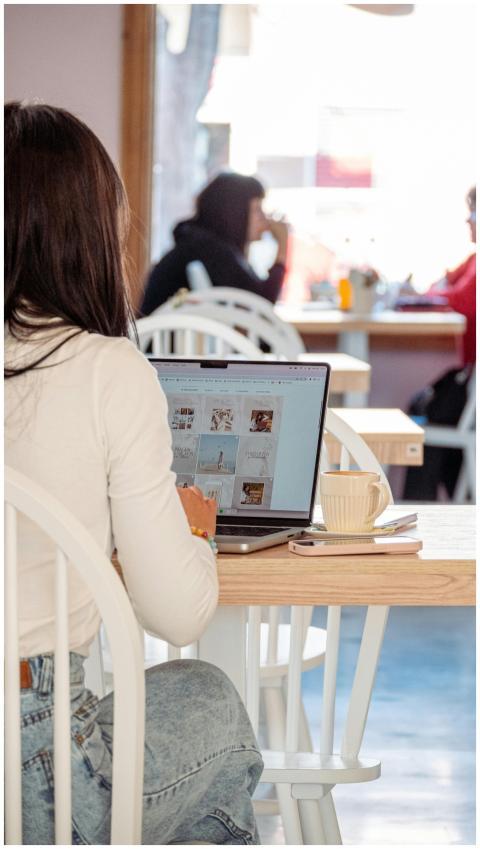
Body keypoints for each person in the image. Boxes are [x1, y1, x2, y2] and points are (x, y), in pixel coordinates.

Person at [5, 102, 263, 845]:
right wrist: (197, 529)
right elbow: (177, 615)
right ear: (86, 225)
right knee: (211, 701)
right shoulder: (105, 369)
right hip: (37, 762)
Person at [403, 186, 476, 500]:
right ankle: (431, 499)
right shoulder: (473, 259)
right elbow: (446, 282)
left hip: (471, 384)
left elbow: (461, 299)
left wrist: (422, 296)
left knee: (426, 410)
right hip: (468, 381)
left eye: (472, 213)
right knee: (424, 405)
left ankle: (422, 502)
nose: (468, 221)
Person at [141, 171, 289, 314]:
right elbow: (261, 305)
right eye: (257, 210)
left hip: (173, 337)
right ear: (235, 212)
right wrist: (283, 244)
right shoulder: (209, 249)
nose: (265, 219)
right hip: (167, 337)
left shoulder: (200, 243)